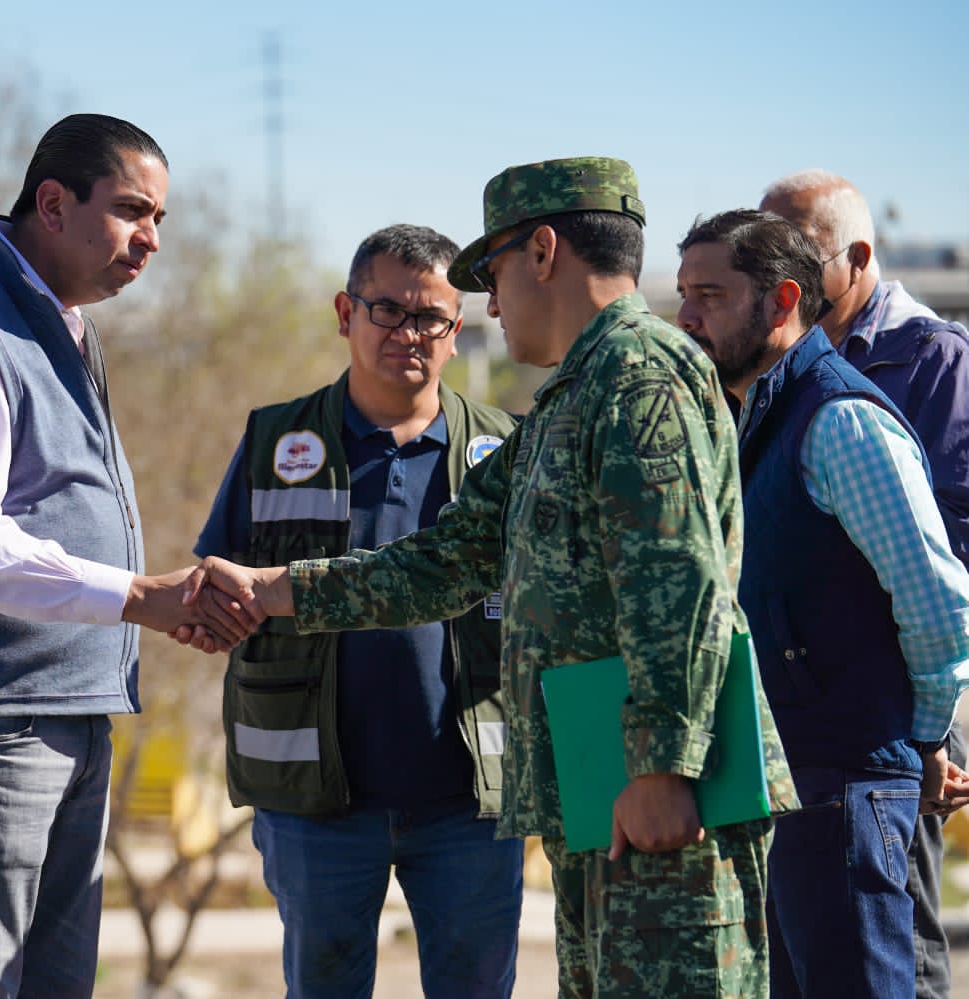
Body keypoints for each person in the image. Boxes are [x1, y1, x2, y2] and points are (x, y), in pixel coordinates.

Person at [183, 157, 798, 998]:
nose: (493, 305)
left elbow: (679, 585)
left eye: (495, 274)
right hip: (600, 784)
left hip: (657, 792)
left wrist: (662, 766)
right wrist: (274, 590)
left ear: (544, 251)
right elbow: (449, 559)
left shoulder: (641, 378)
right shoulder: (567, 401)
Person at [0, 113, 251, 998]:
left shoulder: (59, 323)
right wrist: (138, 596)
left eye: (159, 219)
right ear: (51, 201)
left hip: (67, 712)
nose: (151, 239)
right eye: (131, 211)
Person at [195, 223, 522, 998]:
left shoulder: (504, 451)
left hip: (469, 803)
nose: (408, 333)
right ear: (345, 313)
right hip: (317, 805)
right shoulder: (276, 440)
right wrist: (215, 609)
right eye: (387, 310)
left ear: (457, 331)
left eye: (431, 318)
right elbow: (218, 582)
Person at [675, 208, 969, 998]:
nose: (686, 316)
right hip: (794, 784)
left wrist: (924, 734)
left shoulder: (838, 419)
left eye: (710, 293)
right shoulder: (760, 416)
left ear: (783, 301)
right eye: (682, 294)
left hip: (847, 789)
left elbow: (939, 600)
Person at [761, 170, 969, 999]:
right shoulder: (778, 360)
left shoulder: (933, 359)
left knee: (898, 930)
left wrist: (936, 728)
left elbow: (946, 551)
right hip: (817, 710)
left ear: (857, 255)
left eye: (796, 243)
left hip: (905, 703)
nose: (774, 259)